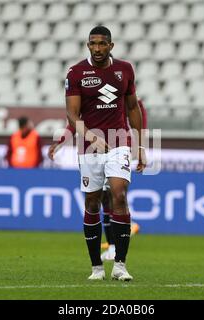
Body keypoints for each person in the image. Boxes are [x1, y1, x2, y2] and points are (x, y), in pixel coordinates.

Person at [64, 26, 146, 281]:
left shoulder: (125, 70)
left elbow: (133, 108)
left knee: (119, 195)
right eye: (93, 44)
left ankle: (120, 266)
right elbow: (72, 115)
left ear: (111, 45)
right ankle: (96, 268)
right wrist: (91, 137)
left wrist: (140, 146)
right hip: (89, 147)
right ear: (88, 45)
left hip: (119, 141)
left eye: (102, 44)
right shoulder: (76, 73)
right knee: (92, 203)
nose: (97, 48)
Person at [48, 98, 148, 261]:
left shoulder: (126, 95)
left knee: (116, 196)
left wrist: (139, 146)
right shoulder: (91, 96)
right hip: (94, 150)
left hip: (120, 147)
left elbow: (138, 117)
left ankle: (116, 249)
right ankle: (112, 246)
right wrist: (60, 142)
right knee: (104, 200)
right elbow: (75, 121)